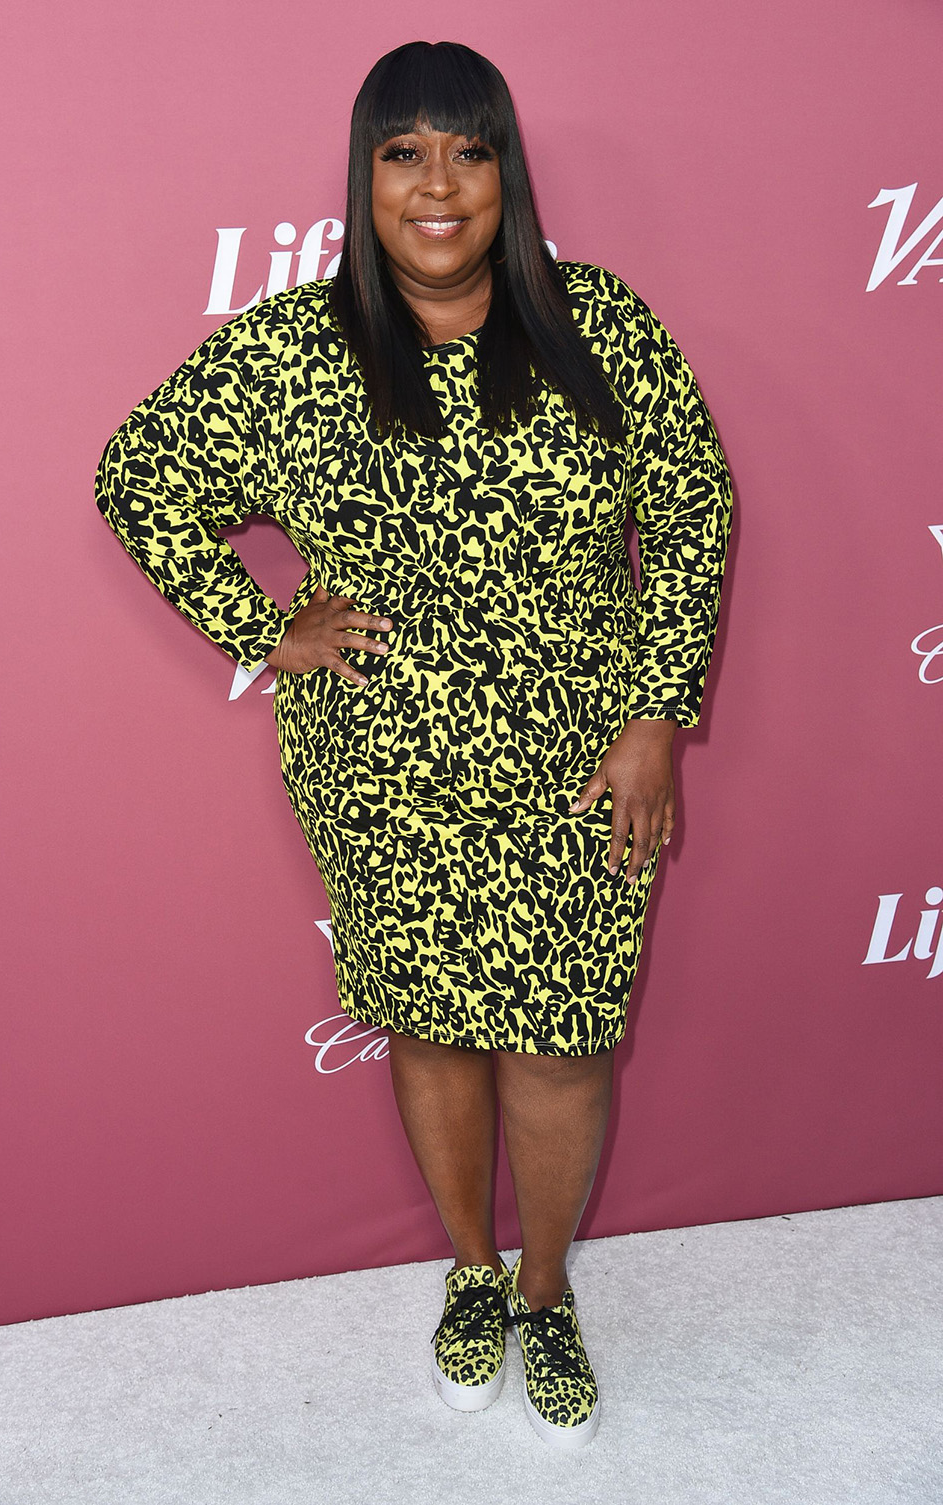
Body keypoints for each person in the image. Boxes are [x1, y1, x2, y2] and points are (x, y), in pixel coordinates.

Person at [95, 39, 732, 1451]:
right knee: (436, 1022)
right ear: (365, 177)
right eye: (403, 153)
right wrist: (263, 621)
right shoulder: (287, 349)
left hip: (579, 764)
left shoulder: (601, 326)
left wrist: (655, 711)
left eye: (468, 148)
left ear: (507, 169)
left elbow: (691, 509)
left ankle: (550, 1290)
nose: (438, 183)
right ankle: (470, 1269)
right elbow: (135, 474)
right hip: (381, 763)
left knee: (562, 1043)